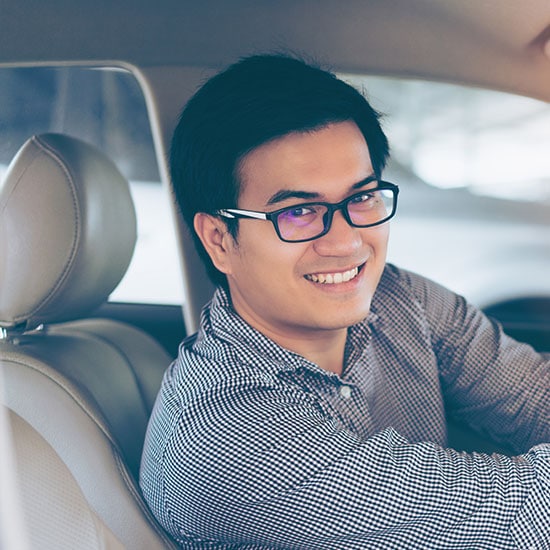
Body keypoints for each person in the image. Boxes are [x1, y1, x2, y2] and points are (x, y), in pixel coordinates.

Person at [140, 54, 549, 548]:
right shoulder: (227, 433)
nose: (347, 241)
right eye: (299, 212)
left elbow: (534, 396)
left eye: (362, 198)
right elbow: (515, 512)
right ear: (220, 239)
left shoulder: (400, 300)